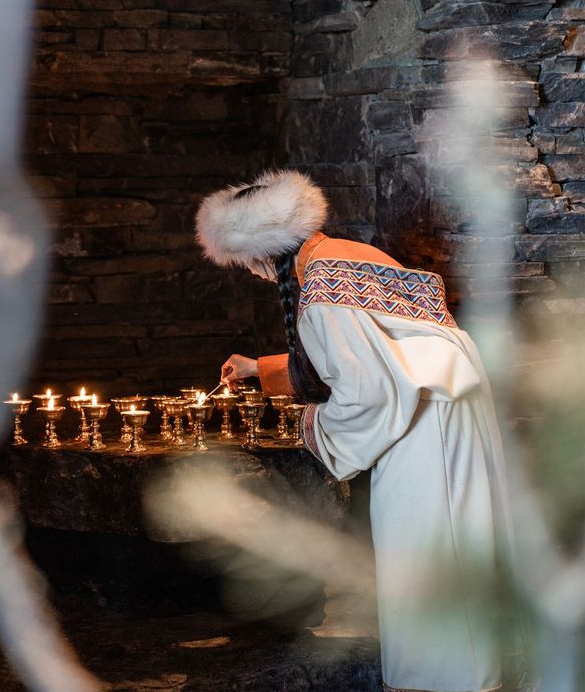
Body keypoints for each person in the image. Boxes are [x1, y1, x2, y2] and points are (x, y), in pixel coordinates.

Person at [196, 168, 520, 692]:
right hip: (449, 413)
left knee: (429, 552)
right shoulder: (344, 257)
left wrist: (313, 426)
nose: (252, 274)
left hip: (423, 428)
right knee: (460, 547)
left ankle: (448, 680)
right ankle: (482, 673)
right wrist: (261, 367)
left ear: (260, 254)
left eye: (246, 265)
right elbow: (377, 352)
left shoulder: (321, 290)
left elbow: (369, 391)